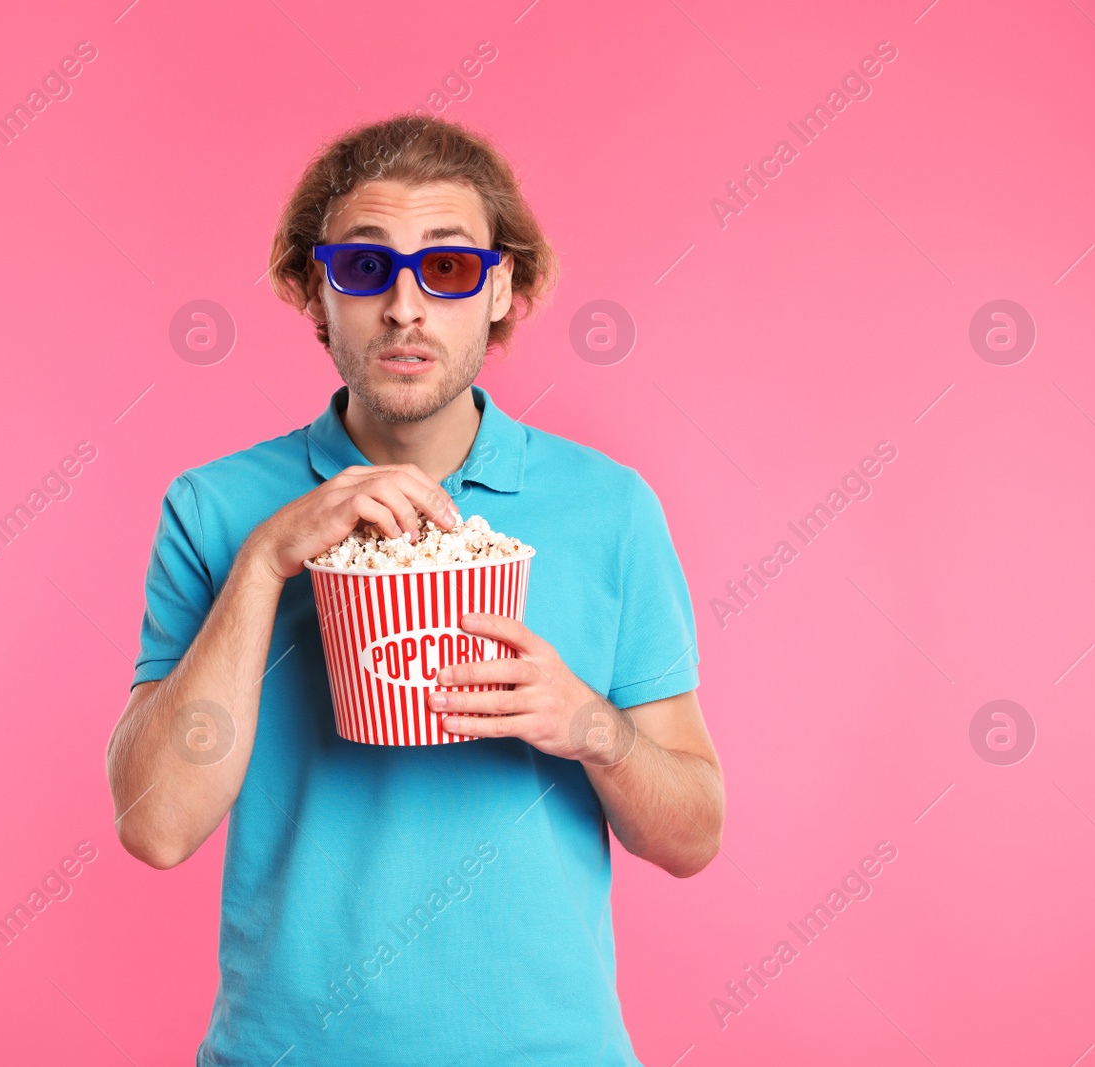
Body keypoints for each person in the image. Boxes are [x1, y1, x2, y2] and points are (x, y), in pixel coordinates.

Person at [105, 113, 724, 1066]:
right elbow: (155, 824)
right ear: (317, 289)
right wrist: (268, 560)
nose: (405, 307)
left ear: (500, 288)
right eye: (363, 268)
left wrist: (586, 721)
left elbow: (692, 834)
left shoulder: (610, 508)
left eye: (445, 270)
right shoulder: (218, 508)